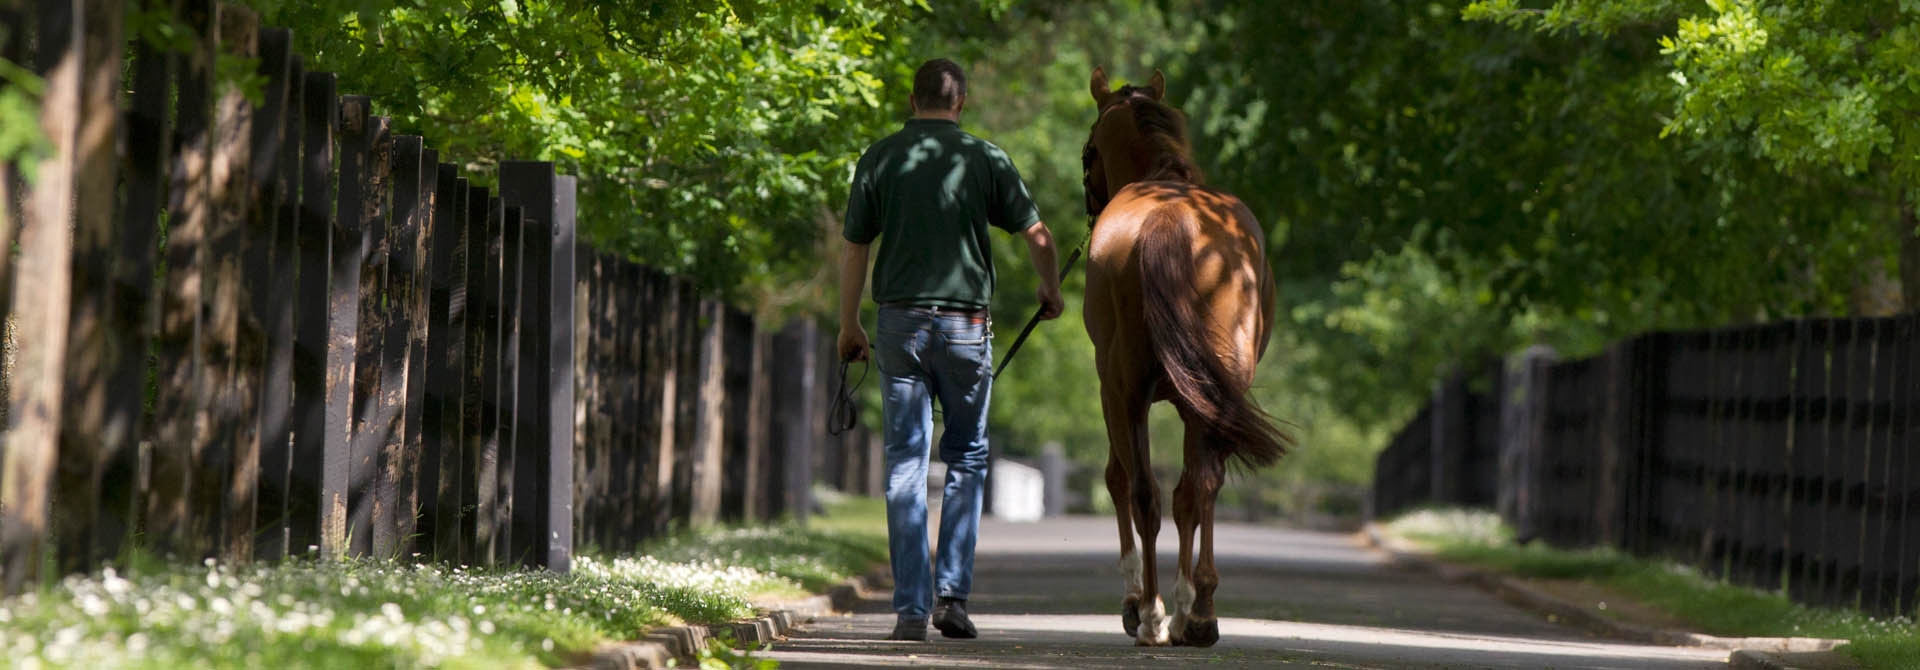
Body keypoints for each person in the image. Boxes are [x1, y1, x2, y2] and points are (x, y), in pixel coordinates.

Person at [837, 58, 1064, 642]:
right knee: (965, 458)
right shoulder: (986, 159)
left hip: (899, 325)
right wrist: (1051, 287)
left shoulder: (882, 157)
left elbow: (856, 248)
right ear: (960, 103)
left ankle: (910, 610)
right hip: (966, 327)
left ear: (912, 102)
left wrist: (849, 324)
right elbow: (1039, 235)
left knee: (906, 465)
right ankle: (952, 600)